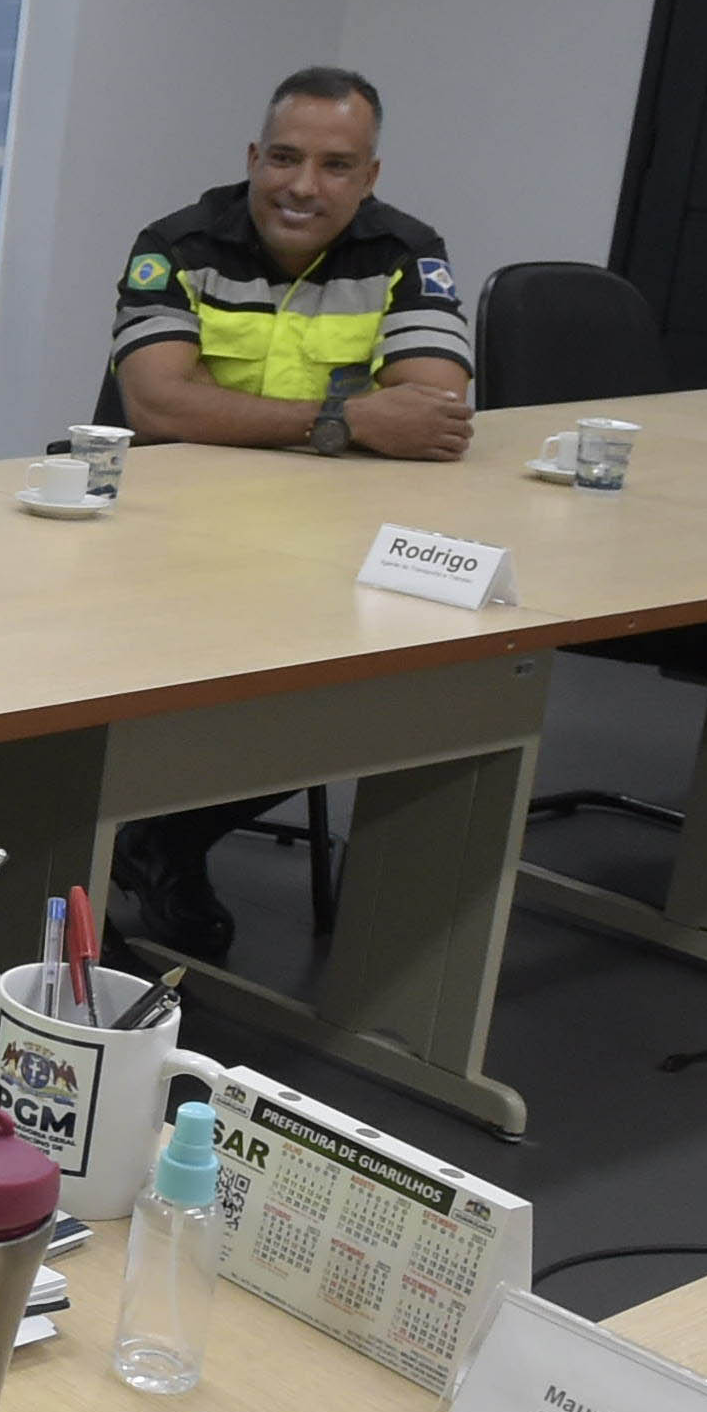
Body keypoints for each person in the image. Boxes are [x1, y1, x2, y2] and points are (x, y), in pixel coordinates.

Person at [103, 65, 475, 959]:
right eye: (284, 158)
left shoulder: (406, 252)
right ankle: (103, 840)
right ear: (252, 158)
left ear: (369, 176)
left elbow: (435, 409)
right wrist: (347, 421)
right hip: (165, 543)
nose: (303, 186)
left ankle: (168, 838)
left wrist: (237, 414)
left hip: (320, 548)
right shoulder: (177, 245)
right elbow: (157, 402)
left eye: (335, 166)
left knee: (392, 688)